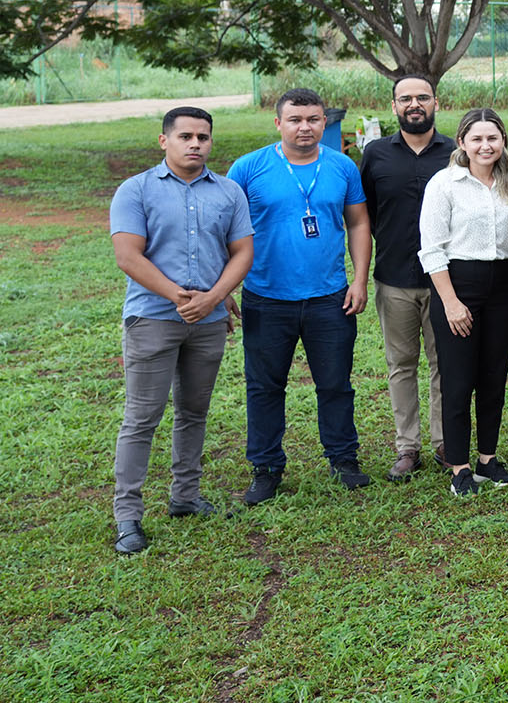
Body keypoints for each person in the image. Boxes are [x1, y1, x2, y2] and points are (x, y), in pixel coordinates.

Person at [108, 107, 255, 554]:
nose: (195, 144)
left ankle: (185, 496)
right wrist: (181, 296)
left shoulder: (228, 192)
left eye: (203, 137)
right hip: (153, 319)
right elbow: (128, 256)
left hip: (208, 323)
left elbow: (242, 251)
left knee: (194, 411)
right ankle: (128, 516)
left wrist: (214, 298)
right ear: (164, 140)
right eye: (186, 136)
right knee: (141, 418)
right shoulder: (136, 190)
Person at [228, 88, 373, 503]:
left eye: (313, 119)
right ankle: (266, 468)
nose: (304, 127)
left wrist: (359, 279)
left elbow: (358, 223)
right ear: (279, 123)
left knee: (336, 383)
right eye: (295, 120)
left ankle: (343, 460)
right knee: (264, 386)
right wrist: (224, 287)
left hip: (330, 296)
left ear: (324, 122)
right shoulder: (248, 168)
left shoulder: (342, 167)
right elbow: (225, 228)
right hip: (266, 297)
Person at [418, 108, 508, 496]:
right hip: (459, 285)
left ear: (503, 141)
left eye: (492, 138)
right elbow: (431, 249)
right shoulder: (444, 184)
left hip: (503, 286)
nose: (485, 145)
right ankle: (459, 467)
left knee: (494, 377)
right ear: (462, 142)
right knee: (459, 380)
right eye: (477, 139)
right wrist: (450, 302)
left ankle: (487, 460)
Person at [357, 76, 455, 481]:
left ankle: (446, 442)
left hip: (446, 281)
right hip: (394, 277)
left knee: (444, 363)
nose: (415, 104)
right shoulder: (375, 154)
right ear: (394, 106)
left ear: (436, 102)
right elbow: (365, 215)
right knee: (401, 364)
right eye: (406, 99)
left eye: (422, 97)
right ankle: (407, 447)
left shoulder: (455, 152)